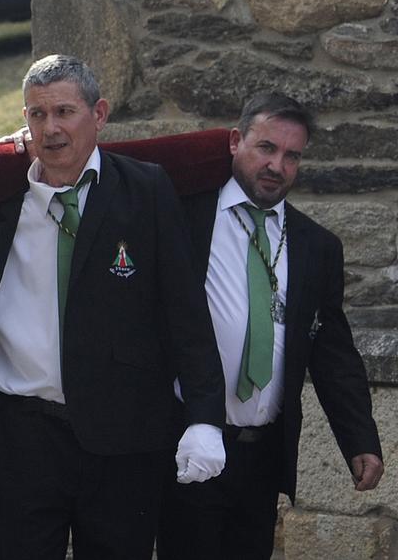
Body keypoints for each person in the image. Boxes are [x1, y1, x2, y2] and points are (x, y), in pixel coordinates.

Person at [0, 55, 227, 560]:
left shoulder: (144, 190)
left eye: (65, 111)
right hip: (23, 435)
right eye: (37, 114)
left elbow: (185, 314)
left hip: (124, 437)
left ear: (99, 114)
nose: (51, 129)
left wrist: (205, 417)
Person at [157, 91, 383, 559]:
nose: (277, 165)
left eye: (291, 156)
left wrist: (360, 439)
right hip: (186, 445)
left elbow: (333, 352)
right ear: (236, 141)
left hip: (261, 456)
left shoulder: (317, 246)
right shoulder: (183, 216)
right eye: (266, 148)